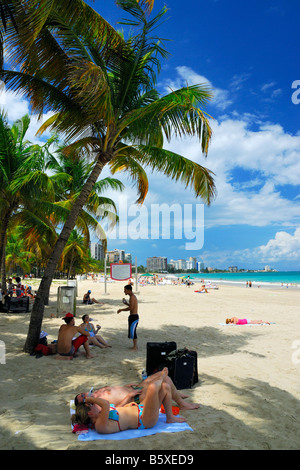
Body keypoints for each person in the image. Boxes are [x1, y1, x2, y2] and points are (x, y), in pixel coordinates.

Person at [71, 368, 186, 434]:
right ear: (90, 413)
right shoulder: (100, 425)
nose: (95, 404)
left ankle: (170, 418)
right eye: (92, 405)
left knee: (165, 387)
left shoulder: (101, 414)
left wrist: (128, 405)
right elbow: (105, 404)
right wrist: (89, 399)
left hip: (140, 409)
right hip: (144, 420)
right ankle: (161, 376)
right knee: (152, 387)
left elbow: (117, 409)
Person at [75, 369, 199, 410]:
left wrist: (125, 387)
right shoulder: (97, 405)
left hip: (134, 389)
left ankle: (175, 394)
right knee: (164, 378)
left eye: (82, 394)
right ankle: (182, 404)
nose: (84, 395)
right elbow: (116, 409)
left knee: (162, 374)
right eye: (83, 398)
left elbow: (114, 391)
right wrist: (129, 396)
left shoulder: (97, 393)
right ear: (85, 403)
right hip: (136, 397)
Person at [117, 284, 139, 351]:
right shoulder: (132, 297)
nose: (124, 292)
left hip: (134, 317)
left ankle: (135, 347)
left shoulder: (132, 297)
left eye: (125, 290)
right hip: (133, 316)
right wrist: (126, 303)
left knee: (133, 332)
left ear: (129, 290)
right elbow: (132, 306)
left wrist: (121, 310)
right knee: (132, 332)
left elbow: (131, 308)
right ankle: (135, 346)